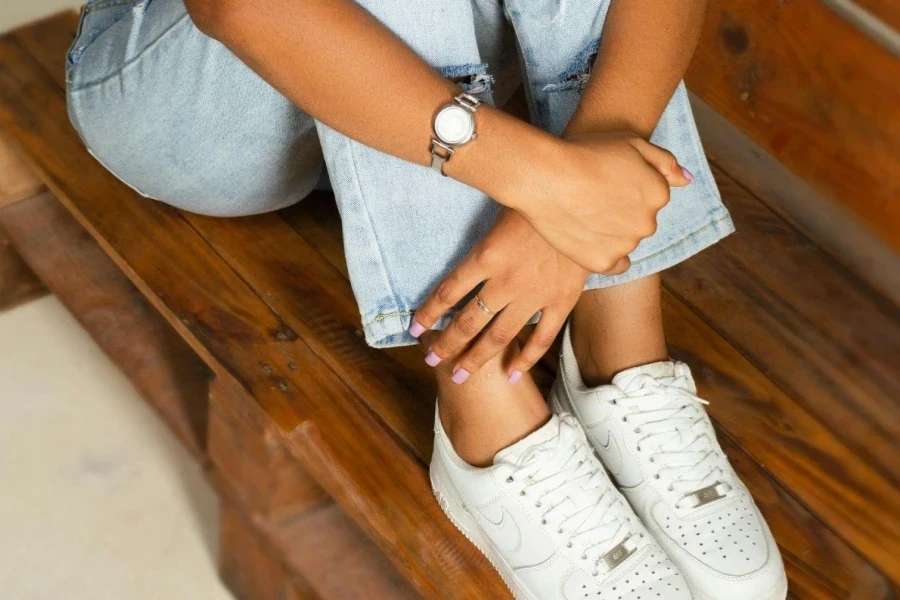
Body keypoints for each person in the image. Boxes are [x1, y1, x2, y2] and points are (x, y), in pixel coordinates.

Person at [65, 0, 788, 598]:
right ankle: (489, 412)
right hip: (199, 101)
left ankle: (621, 353)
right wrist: (545, 185)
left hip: (456, 81)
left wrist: (571, 211)